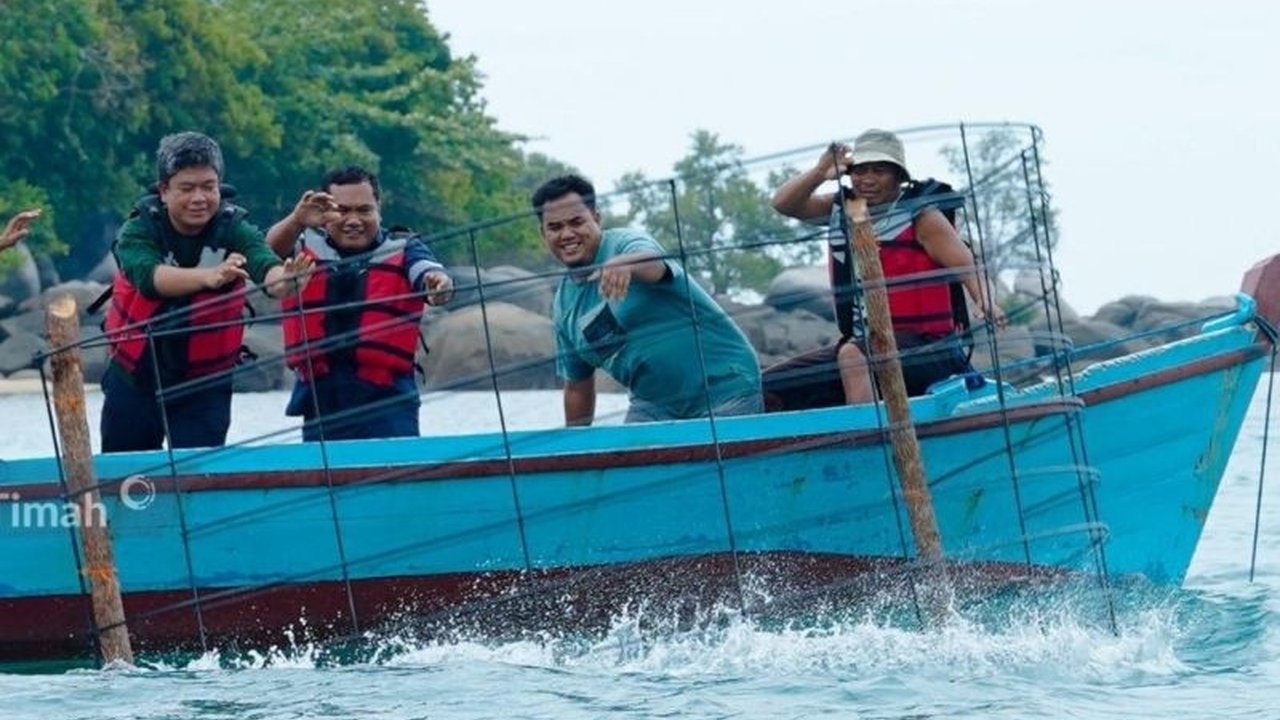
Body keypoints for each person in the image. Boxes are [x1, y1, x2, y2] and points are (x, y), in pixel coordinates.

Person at [102, 131, 312, 452]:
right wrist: (209, 276)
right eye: (187, 188)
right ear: (164, 191)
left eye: (208, 187)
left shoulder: (234, 228)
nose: (199, 198)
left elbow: (264, 263)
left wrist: (287, 282)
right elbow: (149, 277)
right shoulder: (139, 229)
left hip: (204, 384)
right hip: (135, 379)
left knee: (199, 475)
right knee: (127, 475)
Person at [769, 128, 1006, 406]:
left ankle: (869, 439)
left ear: (898, 177)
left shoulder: (922, 217)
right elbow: (784, 204)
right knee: (773, 384)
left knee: (853, 356)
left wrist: (986, 300)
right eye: (859, 171)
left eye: (879, 171)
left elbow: (968, 266)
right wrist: (820, 172)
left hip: (930, 349)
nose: (867, 180)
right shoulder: (847, 209)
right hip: (863, 343)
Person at [531, 174, 763, 425]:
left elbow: (654, 264)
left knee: (706, 462)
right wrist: (573, 454)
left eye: (576, 222)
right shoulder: (564, 308)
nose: (567, 234)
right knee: (628, 458)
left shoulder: (626, 243)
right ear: (543, 233)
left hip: (724, 387)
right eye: (555, 227)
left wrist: (624, 265)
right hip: (654, 405)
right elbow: (577, 387)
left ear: (596, 218)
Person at [266, 165, 454, 441]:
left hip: (388, 401)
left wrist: (439, 286)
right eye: (342, 211)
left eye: (364, 210)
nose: (353, 220)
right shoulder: (304, 246)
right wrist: (296, 220)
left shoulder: (405, 247)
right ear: (325, 212)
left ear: (379, 209)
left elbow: (431, 274)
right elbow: (264, 252)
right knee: (325, 480)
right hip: (321, 400)